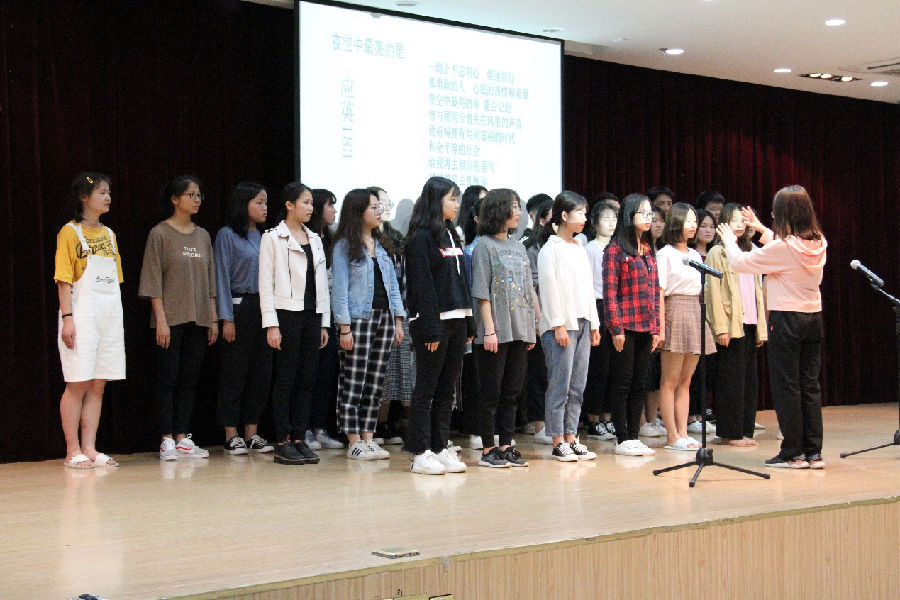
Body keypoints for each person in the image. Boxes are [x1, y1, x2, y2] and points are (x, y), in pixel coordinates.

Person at [717, 186, 827, 469]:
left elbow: (741, 263)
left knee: (787, 386)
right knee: (809, 386)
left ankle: (792, 453)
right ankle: (813, 452)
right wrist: (760, 228)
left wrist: (729, 240)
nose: (774, 217)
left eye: (776, 213)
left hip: (787, 319)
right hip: (813, 318)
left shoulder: (783, 248)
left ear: (786, 214)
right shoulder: (818, 242)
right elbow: (781, 247)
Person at [140, 175, 218, 461]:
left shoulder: (203, 236)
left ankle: (183, 437)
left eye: (199, 195)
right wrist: (160, 320)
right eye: (191, 195)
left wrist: (213, 319)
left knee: (189, 381)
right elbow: (152, 281)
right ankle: (166, 439)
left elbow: (210, 280)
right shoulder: (159, 233)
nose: (197, 200)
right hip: (170, 319)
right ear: (175, 199)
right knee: (168, 380)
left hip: (199, 319)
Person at [404, 176, 474, 475]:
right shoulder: (421, 238)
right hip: (433, 323)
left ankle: (440, 445)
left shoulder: (451, 234)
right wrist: (430, 327)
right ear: (436, 201)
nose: (457, 205)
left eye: (458, 199)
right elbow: (422, 287)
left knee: (447, 390)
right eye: (452, 199)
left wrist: (470, 322)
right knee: (427, 389)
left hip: (457, 320)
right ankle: (420, 452)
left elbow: (461, 281)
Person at [54, 172, 124, 468]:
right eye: (102, 192)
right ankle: (72, 450)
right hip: (81, 314)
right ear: (84, 197)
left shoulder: (109, 235)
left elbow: (114, 280)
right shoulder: (69, 233)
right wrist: (68, 319)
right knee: (78, 383)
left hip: (108, 315)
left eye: (109, 192)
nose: (108, 197)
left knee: (98, 384)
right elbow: (63, 280)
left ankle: (90, 448)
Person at [259, 182, 331, 465]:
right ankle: (282, 440)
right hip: (286, 315)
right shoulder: (272, 238)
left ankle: (300, 438)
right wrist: (272, 325)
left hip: (312, 315)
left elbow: (321, 284)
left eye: (312, 203)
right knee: (286, 379)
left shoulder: (314, 238)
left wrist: (324, 323)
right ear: (289, 205)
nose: (310, 208)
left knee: (307, 378)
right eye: (305, 202)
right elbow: (266, 284)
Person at [331, 189, 406, 460]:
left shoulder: (382, 244)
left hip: (384, 318)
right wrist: (344, 327)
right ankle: (353, 440)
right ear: (357, 211)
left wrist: (398, 321)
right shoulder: (344, 246)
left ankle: (369, 437)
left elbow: (393, 286)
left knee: (375, 382)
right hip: (358, 319)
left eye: (379, 207)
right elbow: (340, 290)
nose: (379, 211)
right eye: (373, 207)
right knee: (353, 380)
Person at [471, 189, 536, 468]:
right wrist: (489, 330)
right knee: (490, 393)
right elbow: (481, 292)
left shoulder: (518, 247)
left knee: (512, 392)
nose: (519, 212)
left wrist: (532, 327)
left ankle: (507, 445)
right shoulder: (484, 246)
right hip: (495, 331)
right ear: (499, 210)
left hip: (520, 329)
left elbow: (527, 291)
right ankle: (488, 448)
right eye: (514, 206)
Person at [537, 191, 601, 462]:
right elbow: (549, 289)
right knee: (559, 385)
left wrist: (595, 323)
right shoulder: (550, 249)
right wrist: (558, 325)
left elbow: (588, 289)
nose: (585, 218)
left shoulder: (579, 248)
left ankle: (572, 436)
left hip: (584, 321)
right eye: (580, 212)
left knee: (577, 385)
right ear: (564, 215)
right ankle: (557, 440)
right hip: (562, 325)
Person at [214, 182, 274, 455]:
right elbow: (221, 277)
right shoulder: (227, 235)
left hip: (264, 308)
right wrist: (226, 318)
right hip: (238, 307)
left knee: (261, 373)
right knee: (234, 373)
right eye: (258, 202)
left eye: (265, 202)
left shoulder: (266, 237)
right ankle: (231, 432)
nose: (264, 207)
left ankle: (252, 431)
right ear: (244, 204)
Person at [655, 202, 716, 451]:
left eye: (694, 221)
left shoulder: (694, 255)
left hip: (694, 310)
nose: (693, 225)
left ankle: (683, 432)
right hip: (674, 310)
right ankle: (671, 435)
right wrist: (660, 327)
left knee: (686, 379)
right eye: (689, 220)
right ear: (676, 222)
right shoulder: (665, 254)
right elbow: (659, 292)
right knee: (670, 379)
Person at [603, 194, 661, 456]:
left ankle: (634, 436)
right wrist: (615, 328)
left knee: (639, 383)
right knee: (623, 383)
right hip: (624, 326)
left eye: (650, 214)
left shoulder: (648, 250)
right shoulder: (615, 249)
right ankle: (622, 437)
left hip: (645, 327)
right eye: (643, 213)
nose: (649, 218)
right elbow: (610, 293)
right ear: (629, 215)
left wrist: (656, 327)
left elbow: (654, 291)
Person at [705, 203, 767, 447]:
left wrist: (761, 327)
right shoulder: (717, 252)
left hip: (750, 323)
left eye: (742, 220)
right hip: (731, 325)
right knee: (731, 380)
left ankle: (745, 430)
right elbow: (714, 293)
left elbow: (759, 292)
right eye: (734, 220)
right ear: (724, 224)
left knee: (749, 381)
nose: (740, 225)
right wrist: (720, 327)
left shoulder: (751, 252)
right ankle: (730, 433)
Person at [306, 188, 344, 451]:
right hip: (309, 312)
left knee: (327, 373)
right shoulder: (304, 238)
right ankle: (303, 429)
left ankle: (319, 427)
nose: (334, 211)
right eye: (330, 205)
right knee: (308, 373)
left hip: (330, 315)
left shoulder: (332, 240)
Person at [583, 201, 618, 441]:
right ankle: (593, 418)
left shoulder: (618, 248)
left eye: (614, 219)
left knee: (614, 367)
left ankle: (607, 416)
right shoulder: (591, 249)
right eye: (606, 218)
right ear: (594, 222)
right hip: (598, 306)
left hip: (616, 306)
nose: (611, 223)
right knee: (599, 366)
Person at [687, 208, 720, 432]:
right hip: (693, 312)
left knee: (708, 369)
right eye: (703, 226)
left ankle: (704, 411)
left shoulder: (715, 255)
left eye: (711, 226)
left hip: (711, 317)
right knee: (693, 369)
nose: (708, 230)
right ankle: (692, 415)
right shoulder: (690, 255)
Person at [525, 199, 553, 444]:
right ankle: (539, 424)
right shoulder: (532, 247)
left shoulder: (567, 246)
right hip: (541, 314)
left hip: (562, 314)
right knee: (539, 372)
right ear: (541, 220)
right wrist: (537, 317)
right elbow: (531, 285)